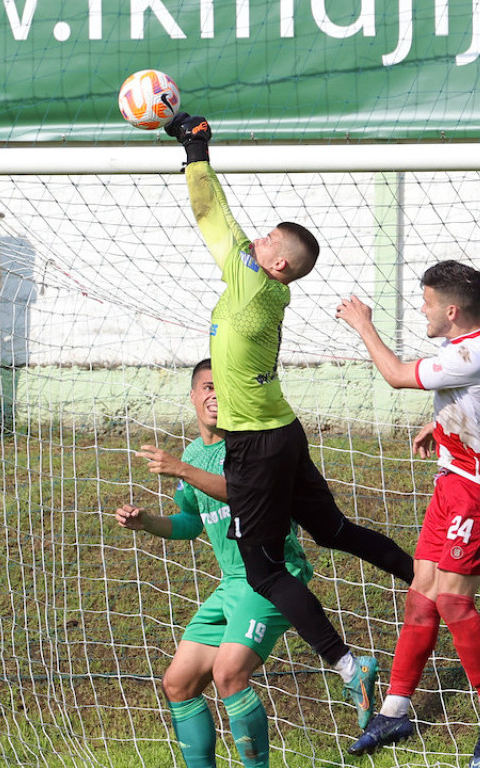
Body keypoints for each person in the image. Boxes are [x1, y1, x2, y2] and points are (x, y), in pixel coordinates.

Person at [162, 112, 415, 729]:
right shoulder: (267, 285)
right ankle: (419, 574)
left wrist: (197, 150)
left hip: (254, 446)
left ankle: (348, 666)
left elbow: (209, 214)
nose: (256, 238)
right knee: (329, 528)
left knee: (264, 567)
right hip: (285, 431)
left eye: (268, 238)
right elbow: (225, 224)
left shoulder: (250, 282)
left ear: (277, 264)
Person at [335, 261, 480, 768]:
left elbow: (397, 376)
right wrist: (438, 424)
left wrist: (363, 325)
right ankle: (396, 709)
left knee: (453, 603)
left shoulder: (473, 352)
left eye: (427, 302)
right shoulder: (478, 337)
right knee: (421, 595)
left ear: (453, 311)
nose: (422, 308)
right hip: (454, 482)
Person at [115, 359, 313, 768]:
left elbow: (246, 495)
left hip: (274, 575)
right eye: (207, 387)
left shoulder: (253, 443)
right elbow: (192, 520)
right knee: (178, 683)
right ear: (193, 396)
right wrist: (147, 521)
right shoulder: (191, 454)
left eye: (222, 387)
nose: (215, 395)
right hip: (231, 585)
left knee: (228, 673)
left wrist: (181, 468)